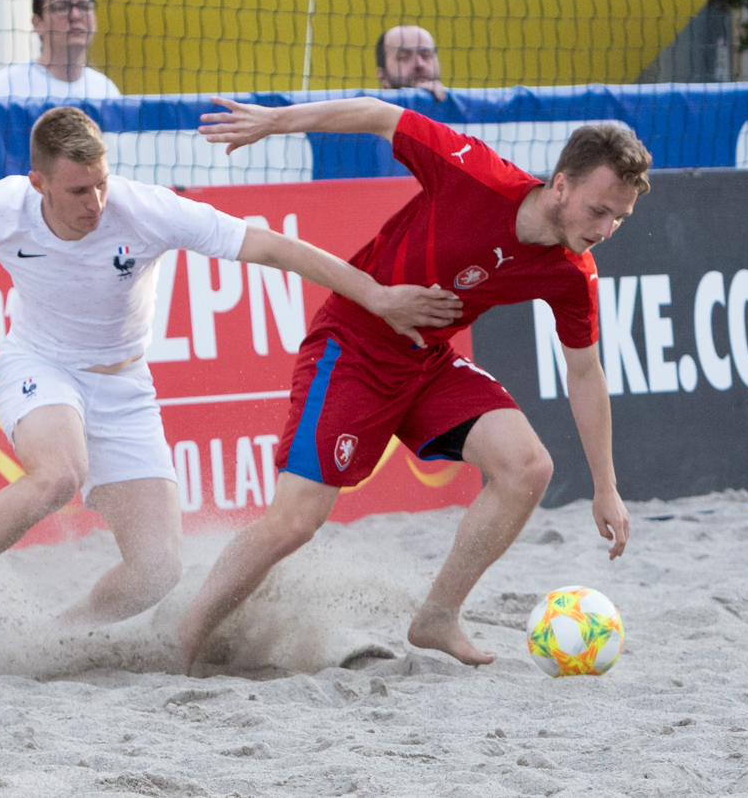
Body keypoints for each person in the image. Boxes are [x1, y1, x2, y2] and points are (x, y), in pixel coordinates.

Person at [0, 106, 463, 632]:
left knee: (155, 572)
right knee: (57, 474)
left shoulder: (143, 209)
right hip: (38, 365)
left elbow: (276, 249)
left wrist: (377, 295)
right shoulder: (3, 207)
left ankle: (56, 633)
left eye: (101, 182)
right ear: (39, 182)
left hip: (126, 386)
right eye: (78, 189)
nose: (95, 201)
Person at [179, 96, 649, 671]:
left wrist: (607, 486)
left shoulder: (573, 273)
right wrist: (275, 122)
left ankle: (437, 617)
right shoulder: (473, 172)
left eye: (619, 219)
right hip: (352, 345)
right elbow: (380, 114)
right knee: (295, 523)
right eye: (599, 210)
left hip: (426, 361)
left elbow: (584, 371)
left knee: (528, 468)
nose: (605, 229)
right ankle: (185, 637)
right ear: (559, 186)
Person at [0, 0, 122, 99]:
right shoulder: (4, 88)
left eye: (85, 6)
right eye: (62, 7)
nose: (76, 15)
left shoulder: (106, 91)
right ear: (38, 23)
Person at [376, 25, 447, 101]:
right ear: (383, 76)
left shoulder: (458, 109)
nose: (419, 64)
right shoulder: (370, 111)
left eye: (426, 55)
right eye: (404, 57)